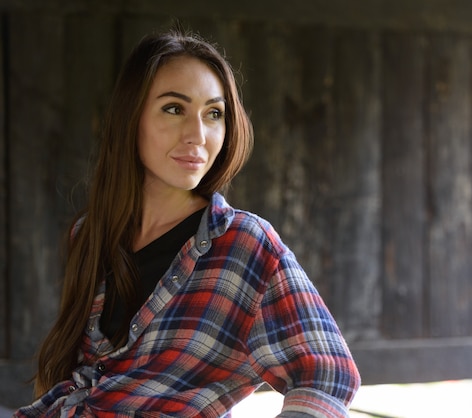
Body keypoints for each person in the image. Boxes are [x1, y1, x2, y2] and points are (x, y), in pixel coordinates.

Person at [14, 27, 360, 417]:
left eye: (213, 114)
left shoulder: (244, 244)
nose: (198, 135)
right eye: (174, 109)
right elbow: (66, 372)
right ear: (132, 118)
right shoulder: (90, 235)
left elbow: (326, 378)